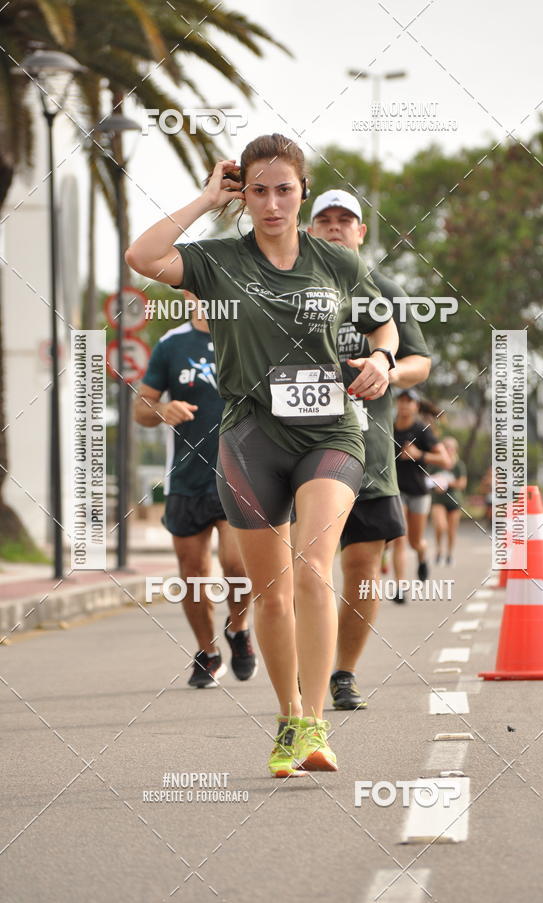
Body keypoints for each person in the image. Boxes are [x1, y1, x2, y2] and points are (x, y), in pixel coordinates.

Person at [125, 133, 399, 777]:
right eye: (258, 190)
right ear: (242, 195)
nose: (272, 203)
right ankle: (288, 717)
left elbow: (383, 321)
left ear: (302, 192)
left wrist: (383, 358)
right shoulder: (218, 260)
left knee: (314, 569)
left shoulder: (337, 263)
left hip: (331, 433)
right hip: (251, 437)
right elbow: (143, 255)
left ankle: (316, 726)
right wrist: (205, 200)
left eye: (284, 189)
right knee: (271, 594)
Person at [308, 189, 431, 710]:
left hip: (369, 453)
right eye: (325, 220)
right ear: (309, 230)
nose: (335, 228)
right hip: (299, 451)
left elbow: (420, 362)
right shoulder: (288, 287)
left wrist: (386, 370)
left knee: (362, 567)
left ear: (361, 232)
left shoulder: (385, 292)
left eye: (346, 220)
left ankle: (342, 673)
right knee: (306, 568)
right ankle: (303, 668)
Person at [134, 292, 257, 688]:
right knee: (193, 574)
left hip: (241, 476)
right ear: (186, 292)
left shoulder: (248, 335)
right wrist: (161, 410)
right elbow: (141, 407)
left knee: (237, 566)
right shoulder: (172, 344)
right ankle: (208, 652)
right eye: (194, 285)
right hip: (186, 479)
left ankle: (238, 628)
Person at [390, 389, 450, 599]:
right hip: (396, 490)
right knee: (399, 537)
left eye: (409, 401)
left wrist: (418, 455)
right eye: (401, 400)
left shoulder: (422, 430)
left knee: (415, 542)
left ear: (416, 406)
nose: (404, 405)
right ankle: (400, 587)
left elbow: (445, 460)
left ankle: (422, 556)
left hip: (418, 492)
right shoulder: (388, 427)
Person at [430, 436, 468, 565]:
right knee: (441, 526)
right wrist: (435, 483)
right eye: (445, 447)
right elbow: (427, 479)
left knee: (452, 530)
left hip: (454, 501)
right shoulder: (435, 464)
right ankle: (438, 551)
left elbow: (462, 483)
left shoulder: (458, 465)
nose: (448, 450)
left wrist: (446, 483)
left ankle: (449, 554)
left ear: (455, 450)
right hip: (438, 500)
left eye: (451, 448)